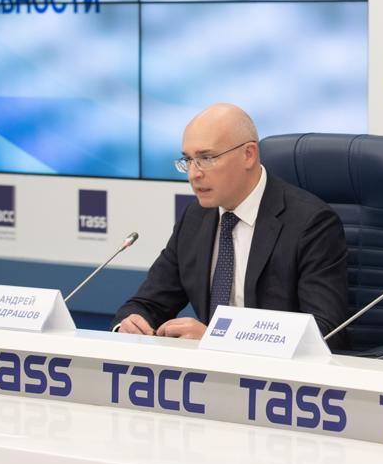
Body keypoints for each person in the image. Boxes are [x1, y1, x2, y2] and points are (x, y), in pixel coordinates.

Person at [114, 103, 350, 345]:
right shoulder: (195, 217)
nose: (193, 174)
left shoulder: (310, 223)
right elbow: (148, 303)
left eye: (206, 158)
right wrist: (131, 323)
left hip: (274, 368)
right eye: (188, 160)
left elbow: (324, 332)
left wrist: (217, 338)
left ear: (249, 154)